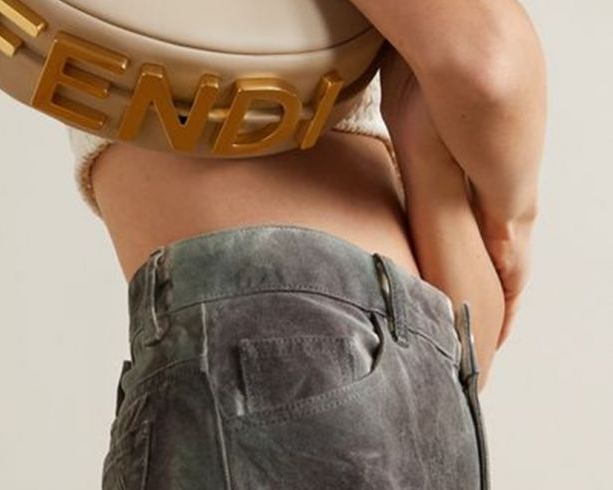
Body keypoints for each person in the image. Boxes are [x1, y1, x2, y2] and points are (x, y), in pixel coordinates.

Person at [76, 1, 546, 488]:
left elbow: (453, 348)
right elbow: (486, 60)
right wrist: (512, 219)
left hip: (328, 374)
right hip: (306, 369)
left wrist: (428, 158)